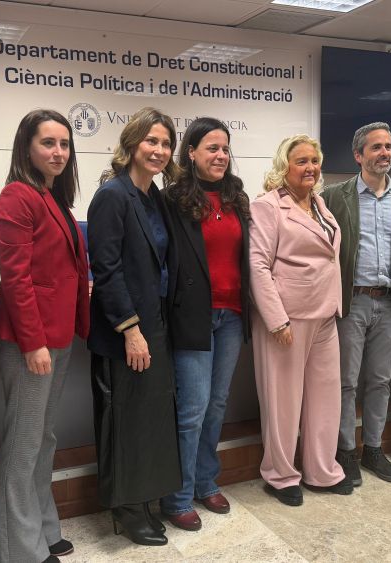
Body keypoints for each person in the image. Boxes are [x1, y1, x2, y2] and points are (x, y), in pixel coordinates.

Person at [0, 110, 89, 562]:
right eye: (48, 143)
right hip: (30, 340)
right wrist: (32, 343)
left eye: (64, 144)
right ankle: (18, 550)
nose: (58, 152)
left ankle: (44, 529)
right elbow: (16, 278)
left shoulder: (53, 197)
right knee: (23, 444)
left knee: (43, 438)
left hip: (57, 336)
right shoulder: (17, 195)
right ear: (26, 148)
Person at [86, 107, 181, 546]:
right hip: (125, 332)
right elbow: (106, 270)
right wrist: (131, 330)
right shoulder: (112, 195)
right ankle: (124, 509)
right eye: (151, 141)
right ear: (131, 144)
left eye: (165, 143)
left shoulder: (153, 196)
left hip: (154, 323)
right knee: (124, 421)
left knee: (148, 419)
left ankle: (142, 501)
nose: (159, 150)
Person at [250, 134, 351, 507]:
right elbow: (258, 265)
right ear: (284, 166)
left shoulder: (320, 205)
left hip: (325, 314)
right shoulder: (267, 206)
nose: (311, 168)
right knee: (283, 401)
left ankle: (322, 470)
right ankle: (280, 476)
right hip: (286, 319)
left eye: (315, 160)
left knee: (325, 399)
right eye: (302, 161)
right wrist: (276, 320)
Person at [159, 118, 250, 531]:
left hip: (231, 315)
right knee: (192, 408)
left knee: (216, 404)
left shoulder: (236, 198)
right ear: (191, 152)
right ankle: (177, 497)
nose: (221, 156)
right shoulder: (173, 199)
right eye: (212, 148)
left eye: (225, 149)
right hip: (193, 315)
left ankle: (205, 480)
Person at [321, 122, 391, 486]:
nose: (385, 153)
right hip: (352, 301)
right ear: (358, 155)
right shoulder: (334, 195)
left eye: (388, 146)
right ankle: (346, 451)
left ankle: (373, 448)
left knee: (380, 381)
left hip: (388, 303)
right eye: (376, 147)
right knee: (345, 382)